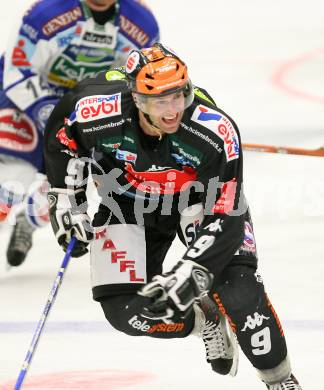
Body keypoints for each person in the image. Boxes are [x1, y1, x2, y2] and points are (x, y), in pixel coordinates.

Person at [43, 43, 303, 389]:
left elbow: (224, 214)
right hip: (126, 200)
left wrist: (191, 273)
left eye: (178, 96)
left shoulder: (214, 130)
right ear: (136, 98)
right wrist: (66, 201)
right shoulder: (95, 109)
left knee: (237, 290)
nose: (172, 110)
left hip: (195, 199)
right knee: (128, 313)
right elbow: (63, 135)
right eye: (159, 100)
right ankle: (204, 319)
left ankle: (281, 381)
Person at [0, 0, 159, 267]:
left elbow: (137, 82)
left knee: (69, 180)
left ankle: (28, 221)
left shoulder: (142, 24)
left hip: (84, 109)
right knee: (14, 178)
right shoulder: (45, 13)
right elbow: (17, 71)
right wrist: (46, 111)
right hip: (25, 103)